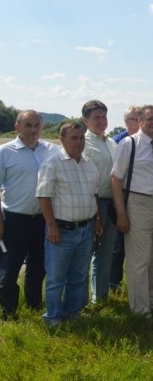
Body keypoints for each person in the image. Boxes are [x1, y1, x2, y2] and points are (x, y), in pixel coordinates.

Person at [36, 123, 101, 325]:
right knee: (56, 279)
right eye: (74, 138)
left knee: (79, 276)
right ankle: (53, 317)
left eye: (81, 138)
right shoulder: (52, 164)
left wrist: (97, 219)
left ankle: (72, 313)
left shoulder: (89, 164)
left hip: (85, 229)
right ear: (62, 139)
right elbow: (43, 196)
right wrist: (52, 226)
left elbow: (95, 195)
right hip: (62, 231)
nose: (78, 142)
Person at [111, 105, 153, 317]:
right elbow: (115, 179)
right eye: (150, 119)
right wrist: (121, 213)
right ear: (140, 121)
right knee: (139, 260)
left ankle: (151, 301)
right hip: (138, 204)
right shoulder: (129, 144)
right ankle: (139, 309)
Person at [0, 110, 55, 320]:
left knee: (38, 268)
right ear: (17, 127)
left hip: (42, 219)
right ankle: (8, 314)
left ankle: (34, 307)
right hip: (14, 219)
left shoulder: (50, 150)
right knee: (9, 269)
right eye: (28, 125)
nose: (33, 130)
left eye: (37, 125)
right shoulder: (5, 152)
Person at [81, 100, 118, 304]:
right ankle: (81, 300)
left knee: (105, 252)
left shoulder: (111, 142)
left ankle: (100, 298)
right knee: (87, 253)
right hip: (94, 203)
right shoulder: (84, 143)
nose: (101, 121)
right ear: (86, 120)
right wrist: (95, 214)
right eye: (96, 117)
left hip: (112, 203)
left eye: (104, 116)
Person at [110, 105, 141, 291]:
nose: (139, 122)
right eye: (136, 119)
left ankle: (133, 284)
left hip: (138, 199)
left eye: (141, 118)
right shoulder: (119, 142)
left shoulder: (148, 142)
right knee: (117, 246)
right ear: (126, 122)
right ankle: (113, 284)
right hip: (120, 198)